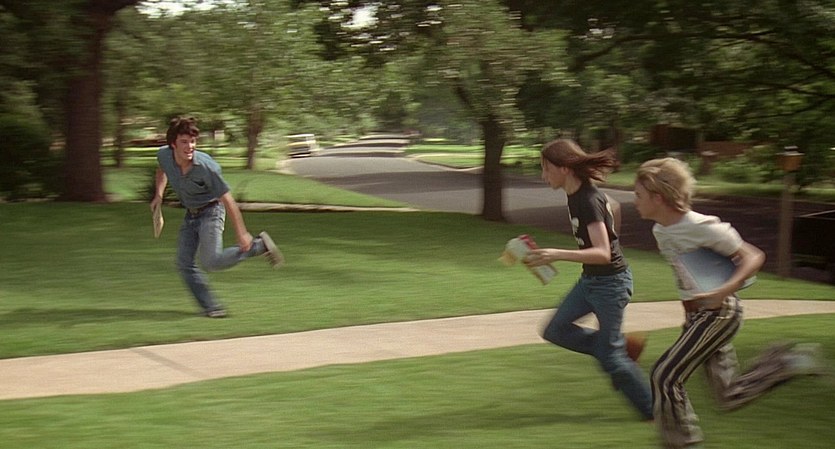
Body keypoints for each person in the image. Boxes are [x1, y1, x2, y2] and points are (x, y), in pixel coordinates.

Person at [634, 157, 824, 449]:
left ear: (657, 198)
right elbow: (686, 276)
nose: (635, 201)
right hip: (699, 318)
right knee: (729, 395)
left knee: (664, 375)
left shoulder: (701, 226)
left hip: (720, 313)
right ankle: (789, 363)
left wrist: (723, 291)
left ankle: (681, 443)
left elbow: (753, 256)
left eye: (639, 195)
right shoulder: (661, 230)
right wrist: (689, 316)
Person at [523, 139, 654, 421]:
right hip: (590, 281)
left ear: (565, 168)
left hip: (611, 285)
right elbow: (614, 206)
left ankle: (656, 412)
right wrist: (613, 234)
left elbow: (604, 254)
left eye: (547, 169)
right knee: (555, 330)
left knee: (612, 360)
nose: (543, 176)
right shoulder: (577, 194)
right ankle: (617, 345)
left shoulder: (587, 200)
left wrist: (556, 254)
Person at [150, 117, 283, 318]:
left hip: (212, 211)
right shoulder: (164, 155)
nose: (190, 146)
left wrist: (242, 233)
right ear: (173, 144)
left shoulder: (205, 167)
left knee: (211, 261)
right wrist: (158, 195)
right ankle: (211, 307)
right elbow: (162, 169)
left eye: (192, 141)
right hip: (191, 214)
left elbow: (228, 200)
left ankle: (258, 246)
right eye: (184, 142)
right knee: (184, 263)